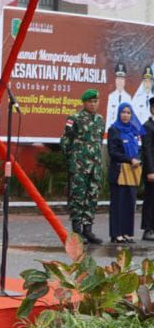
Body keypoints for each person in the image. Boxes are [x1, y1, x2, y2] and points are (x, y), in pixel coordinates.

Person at [62, 89, 105, 245]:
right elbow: (66, 141)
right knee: (78, 197)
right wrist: (73, 160)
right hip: (79, 165)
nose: (93, 104)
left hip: (95, 166)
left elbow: (99, 141)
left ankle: (88, 229)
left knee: (92, 196)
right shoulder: (75, 118)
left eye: (96, 101)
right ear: (84, 103)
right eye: (90, 102)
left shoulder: (100, 119)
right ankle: (77, 230)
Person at [107, 103, 142, 244]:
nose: (126, 115)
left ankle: (127, 233)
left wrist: (138, 160)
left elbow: (140, 149)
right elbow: (113, 152)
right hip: (119, 171)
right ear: (119, 114)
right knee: (118, 203)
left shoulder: (134, 130)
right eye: (123, 112)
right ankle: (116, 234)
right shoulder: (114, 130)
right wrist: (130, 159)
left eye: (128, 112)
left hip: (133, 170)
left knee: (129, 202)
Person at [141, 95, 154, 241]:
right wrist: (150, 171)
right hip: (152, 170)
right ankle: (147, 229)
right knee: (150, 200)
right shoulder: (146, 126)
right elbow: (147, 150)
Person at [106, 62, 129, 129]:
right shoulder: (110, 97)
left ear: (124, 81)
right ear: (115, 80)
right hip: (113, 130)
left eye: (122, 79)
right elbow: (108, 117)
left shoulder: (128, 98)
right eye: (118, 78)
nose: (120, 81)